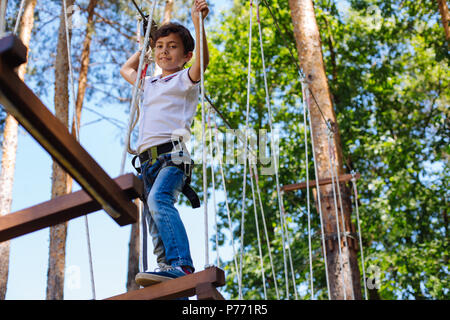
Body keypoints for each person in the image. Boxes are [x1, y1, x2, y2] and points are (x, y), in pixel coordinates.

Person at [120, 0, 210, 287]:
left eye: (172, 46)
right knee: (152, 218)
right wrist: (144, 48)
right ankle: (167, 271)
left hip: (174, 157)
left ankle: (182, 264)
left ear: (186, 56)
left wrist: (198, 23)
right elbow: (126, 70)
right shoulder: (150, 83)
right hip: (147, 162)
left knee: (160, 201)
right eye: (160, 47)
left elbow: (203, 63)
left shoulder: (185, 79)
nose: (164, 51)